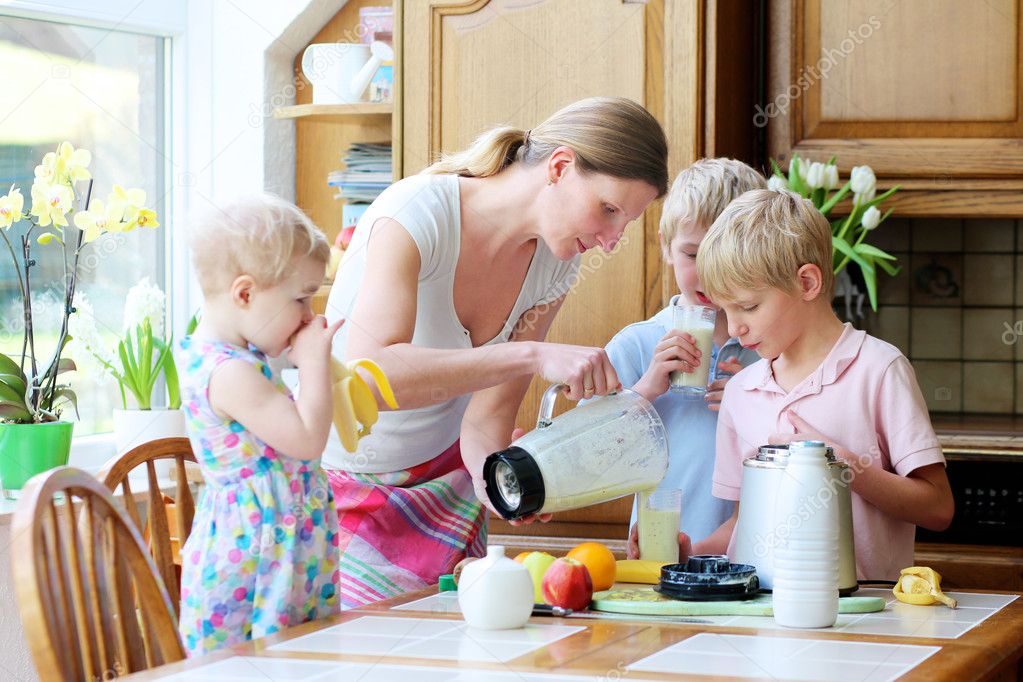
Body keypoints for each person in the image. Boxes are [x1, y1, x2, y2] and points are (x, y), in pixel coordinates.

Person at [323, 96, 669, 607]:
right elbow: (371, 379)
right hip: (345, 488)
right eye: (609, 210)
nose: (612, 240)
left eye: (625, 223)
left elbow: (485, 424)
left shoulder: (554, 264)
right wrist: (531, 354)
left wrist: (507, 485)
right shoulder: (417, 214)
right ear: (560, 167)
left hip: (449, 493)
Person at [694, 188, 954, 580]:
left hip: (864, 618)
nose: (734, 328)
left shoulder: (879, 370)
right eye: (724, 310)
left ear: (807, 283)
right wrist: (693, 551)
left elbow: (938, 508)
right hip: (759, 616)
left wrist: (843, 464)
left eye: (748, 306)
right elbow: (743, 524)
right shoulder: (740, 392)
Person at [177, 194, 342, 654]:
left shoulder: (243, 359)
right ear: (245, 294)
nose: (309, 315)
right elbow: (307, 440)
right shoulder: (228, 373)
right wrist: (313, 363)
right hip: (251, 570)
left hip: (283, 555)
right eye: (301, 298)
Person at [607, 159, 765, 561]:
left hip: (760, 565)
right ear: (665, 245)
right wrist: (645, 390)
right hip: (662, 563)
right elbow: (592, 458)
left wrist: (758, 400)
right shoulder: (637, 346)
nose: (710, 275)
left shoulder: (774, 349)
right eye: (694, 254)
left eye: (727, 256)